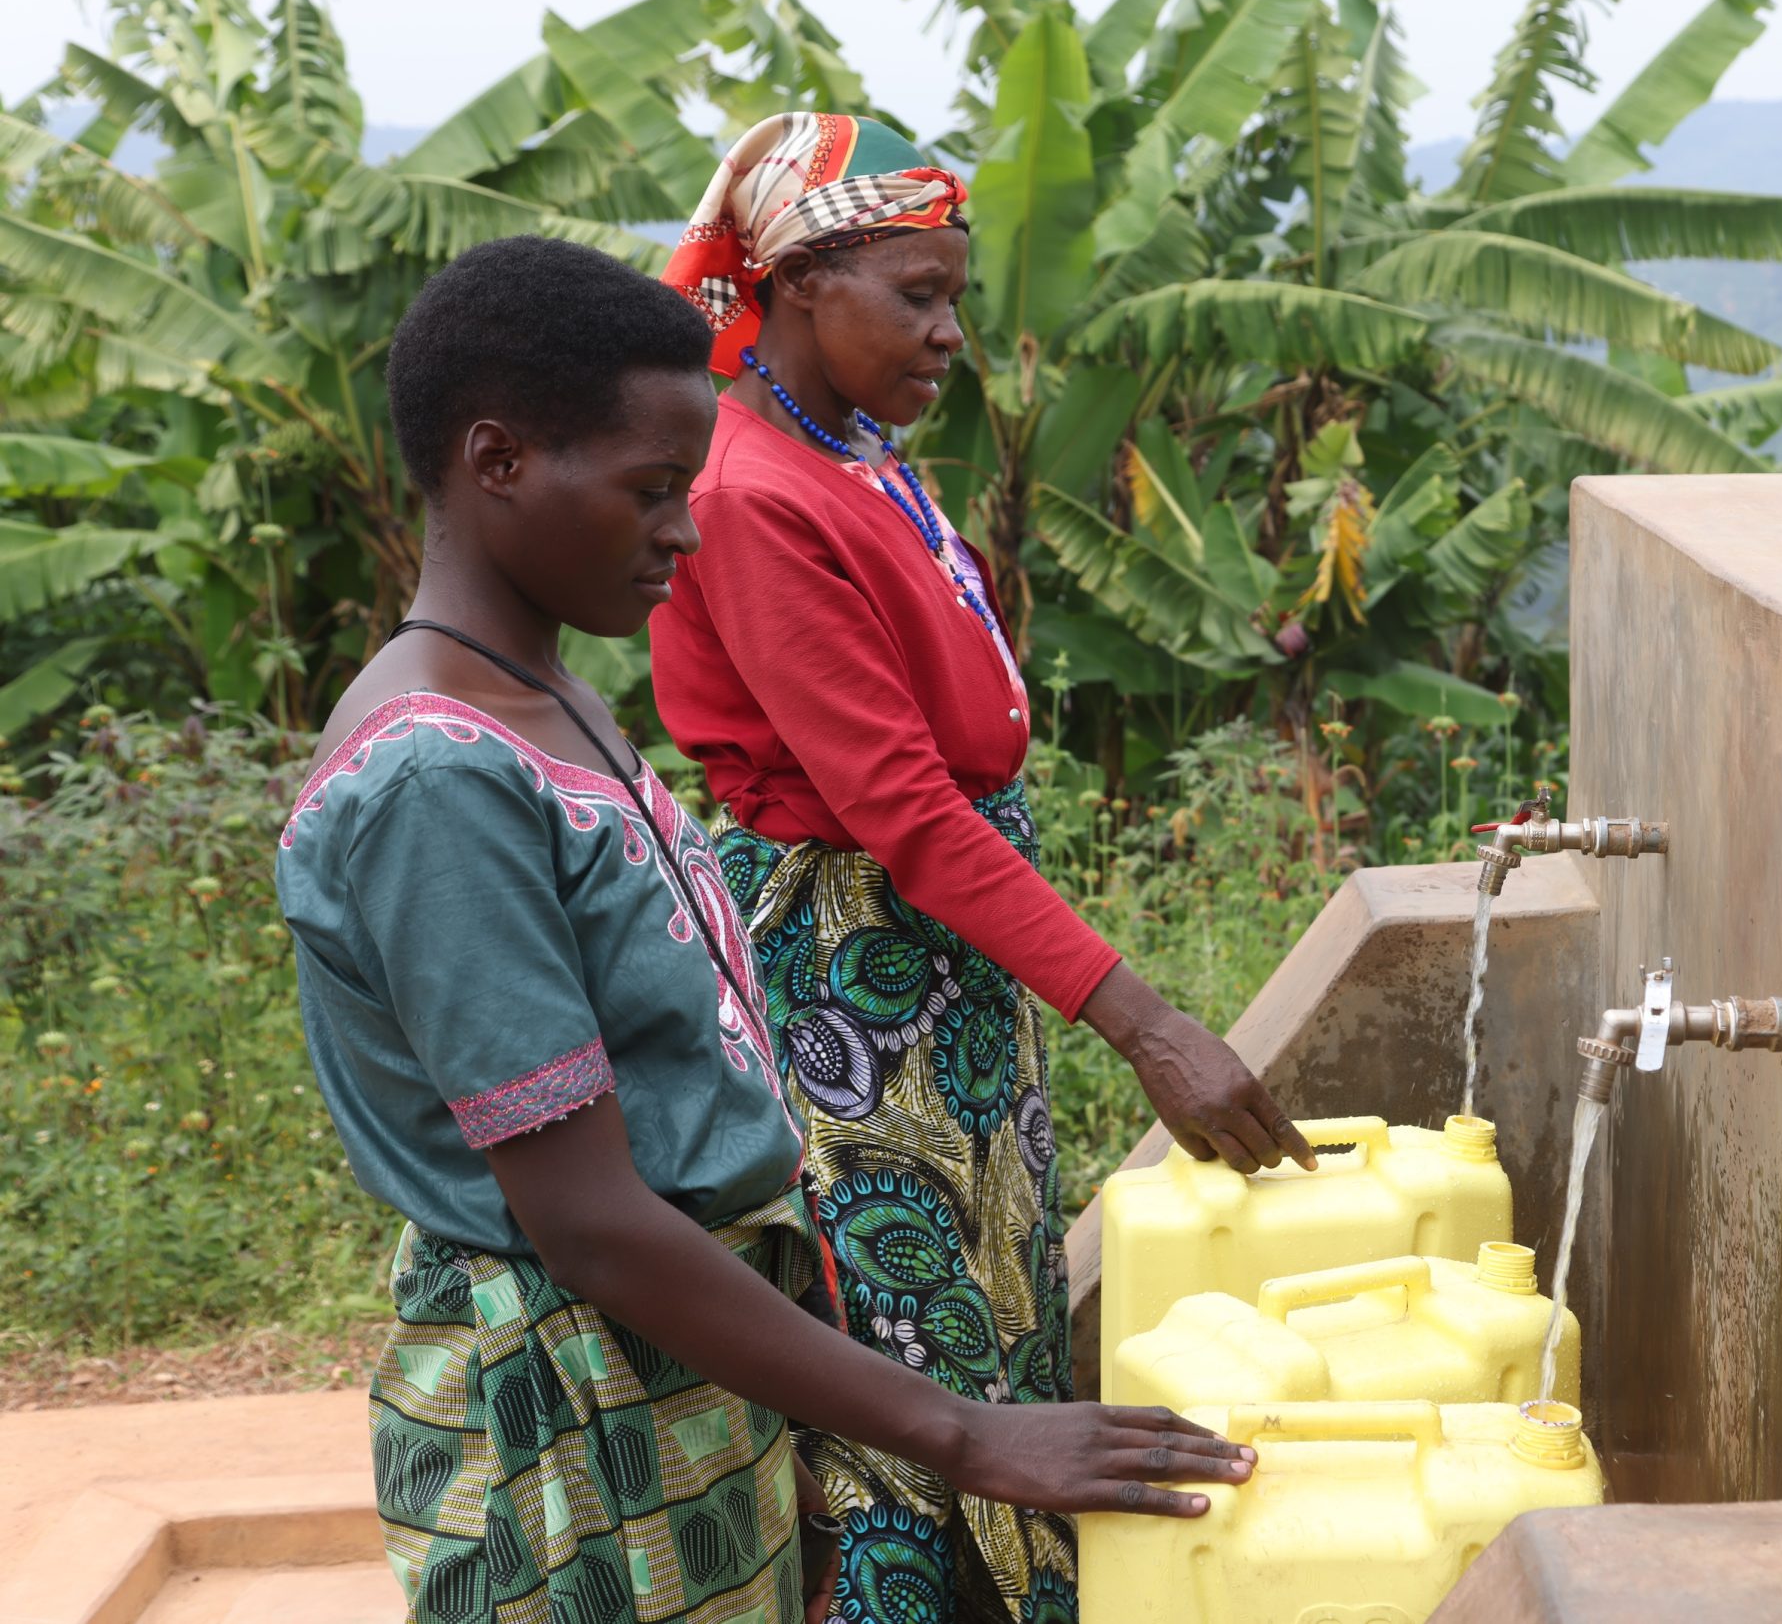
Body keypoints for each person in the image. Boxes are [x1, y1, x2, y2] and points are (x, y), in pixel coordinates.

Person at [276, 236, 1259, 1624]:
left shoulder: (543, 697)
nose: (686, 530)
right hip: (576, 1402)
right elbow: (593, 1225)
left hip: (681, 1363)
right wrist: (968, 1434)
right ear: (496, 461)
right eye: (650, 492)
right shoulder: (438, 779)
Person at [651, 113, 1315, 1622]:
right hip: (850, 982)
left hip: (933, 977)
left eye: (955, 294)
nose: (952, 333)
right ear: (802, 285)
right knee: (912, 1405)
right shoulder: (752, 494)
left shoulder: (847, 448)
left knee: (995, 1346)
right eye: (917, 296)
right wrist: (1147, 1024)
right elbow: (904, 811)